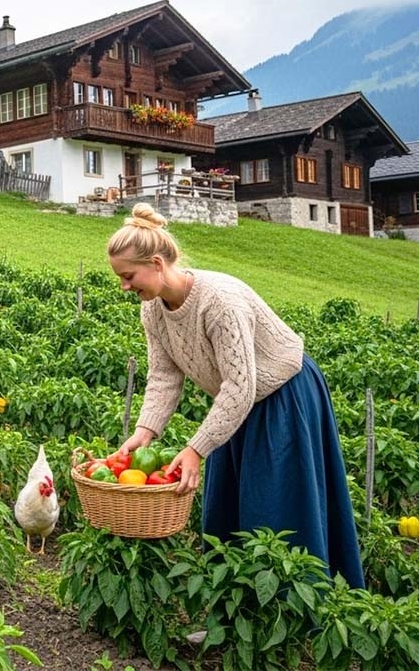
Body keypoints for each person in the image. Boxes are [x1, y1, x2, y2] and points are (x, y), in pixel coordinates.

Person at [109, 202, 363, 588]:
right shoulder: (153, 310)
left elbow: (240, 385)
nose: (125, 286)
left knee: (278, 509)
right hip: (236, 404)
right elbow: (163, 376)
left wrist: (195, 449)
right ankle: (231, 619)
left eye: (129, 276)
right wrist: (144, 433)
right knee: (225, 508)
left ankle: (298, 617)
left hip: (284, 394)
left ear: (157, 264)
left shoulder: (219, 302)